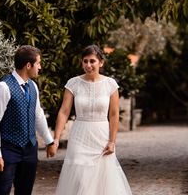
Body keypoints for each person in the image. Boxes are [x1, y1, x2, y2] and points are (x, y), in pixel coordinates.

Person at [50, 45, 132, 194]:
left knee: (102, 180)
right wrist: (56, 138)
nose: (88, 65)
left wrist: (112, 141)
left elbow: (114, 114)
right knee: (80, 177)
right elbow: (64, 112)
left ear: (101, 63)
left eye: (92, 61)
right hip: (80, 136)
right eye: (85, 61)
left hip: (101, 137)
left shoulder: (110, 84)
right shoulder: (73, 83)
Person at [0, 45, 57, 195]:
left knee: (25, 191)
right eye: (38, 63)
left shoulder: (33, 86)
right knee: (2, 191)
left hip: (30, 149)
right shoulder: (3, 87)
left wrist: (49, 141)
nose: (40, 67)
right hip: (8, 149)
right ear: (28, 65)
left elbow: (38, 115)